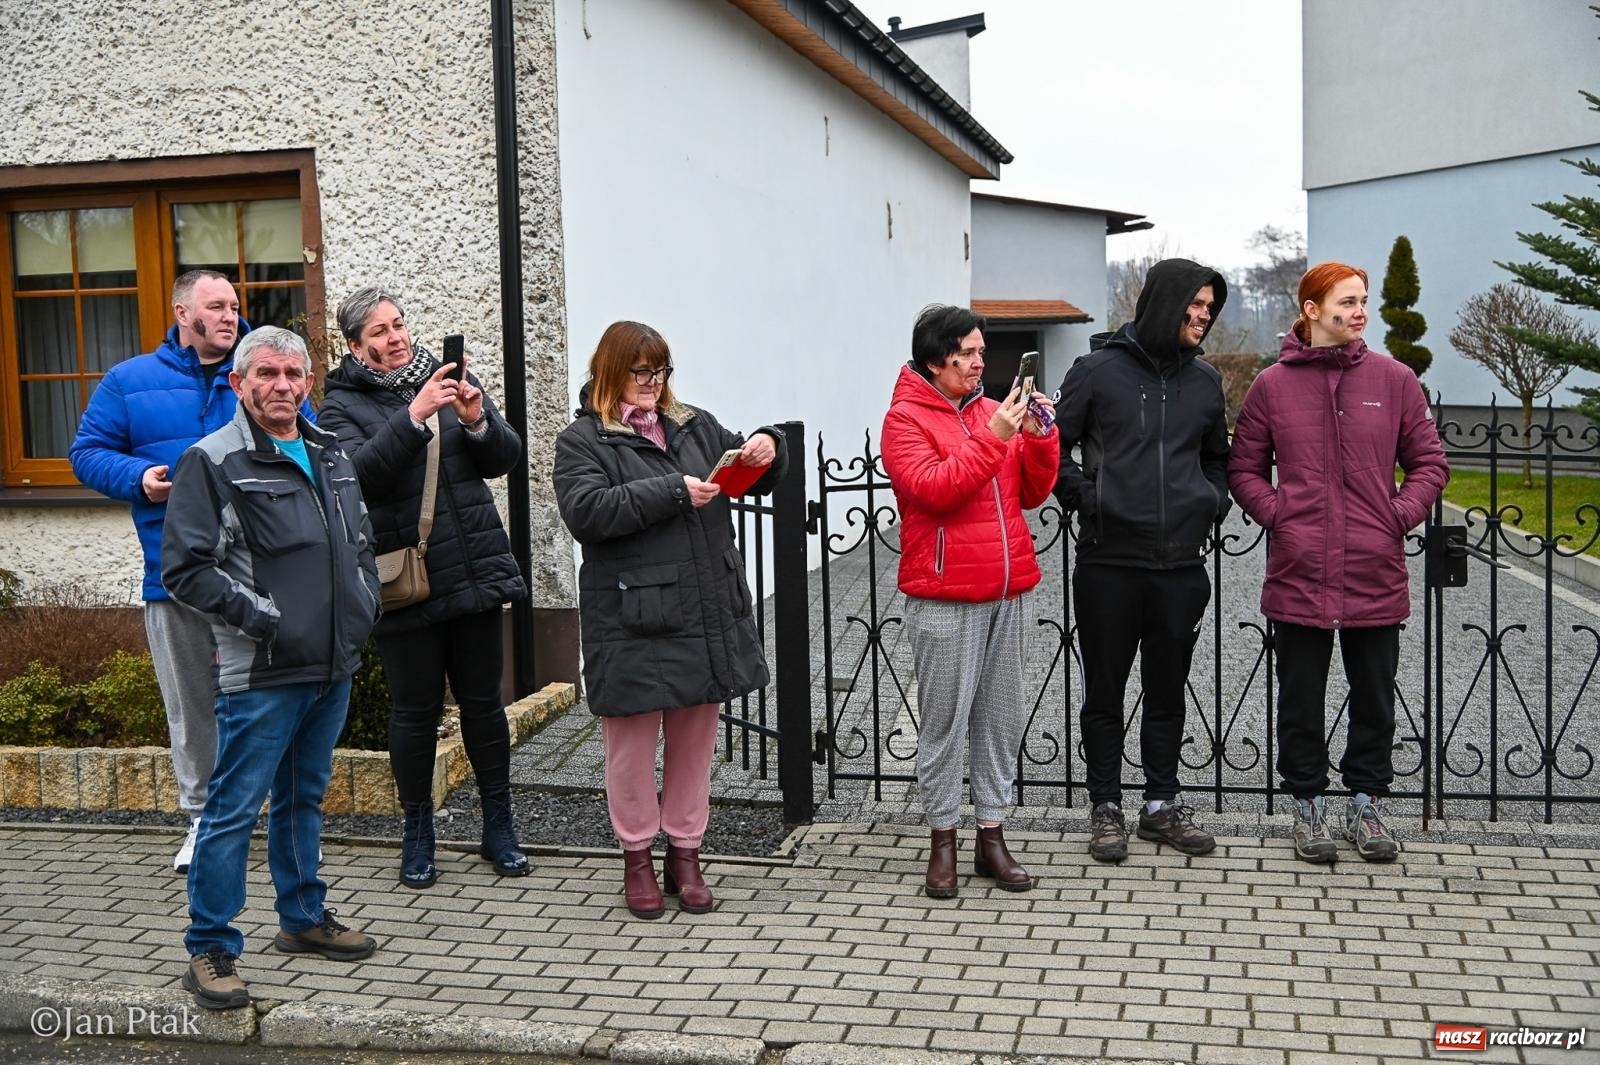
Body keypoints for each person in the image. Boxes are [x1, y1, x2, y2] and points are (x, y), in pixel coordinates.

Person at [161, 326, 381, 1010]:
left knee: (302, 799)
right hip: (262, 669)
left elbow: (361, 542)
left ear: (308, 382)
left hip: (330, 664)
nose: (282, 386)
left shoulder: (330, 451)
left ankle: (302, 917)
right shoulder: (213, 460)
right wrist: (264, 617)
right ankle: (211, 946)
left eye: (293, 373)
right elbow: (186, 569)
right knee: (232, 810)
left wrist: (364, 603)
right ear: (239, 384)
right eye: (267, 374)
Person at [69, 269, 299, 874]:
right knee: (192, 706)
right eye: (216, 306)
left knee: (266, 698)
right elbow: (86, 452)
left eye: (234, 305)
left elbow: (308, 445)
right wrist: (137, 480)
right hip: (174, 575)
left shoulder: (261, 372)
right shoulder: (130, 381)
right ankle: (202, 821)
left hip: (260, 575)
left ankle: (273, 819)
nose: (230, 314)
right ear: (182, 313)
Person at [552, 321, 785, 919]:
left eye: (662, 372)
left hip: (704, 608)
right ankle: (636, 857)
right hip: (632, 615)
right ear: (611, 372)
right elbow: (587, 513)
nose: (654, 384)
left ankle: (686, 853)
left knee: (694, 741)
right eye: (642, 373)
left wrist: (768, 446)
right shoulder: (583, 440)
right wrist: (673, 492)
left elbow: (751, 464)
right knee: (630, 747)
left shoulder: (694, 423)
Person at [1228, 262, 1448, 864]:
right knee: (1300, 695)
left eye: (1364, 301)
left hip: (1374, 570)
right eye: (1348, 302)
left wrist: (1394, 516)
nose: (1360, 312)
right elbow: (1243, 469)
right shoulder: (1271, 386)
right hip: (1300, 571)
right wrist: (1282, 516)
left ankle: (1367, 806)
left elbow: (1430, 463)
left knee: (1374, 694)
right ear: (1311, 309)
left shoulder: (1395, 378)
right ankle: (1307, 806)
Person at [317, 287, 530, 889]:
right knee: (414, 712)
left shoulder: (444, 383)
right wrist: (414, 417)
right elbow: (358, 477)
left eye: (400, 324)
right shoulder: (340, 407)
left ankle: (499, 825)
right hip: (406, 581)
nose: (396, 336)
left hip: (473, 570)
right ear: (355, 346)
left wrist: (477, 419)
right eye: (380, 331)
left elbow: (504, 458)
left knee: (484, 705)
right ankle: (417, 832)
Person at [1052, 259, 1232, 863]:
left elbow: (1217, 459)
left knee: (1167, 692)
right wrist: (1091, 498)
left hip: (1180, 568)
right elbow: (1053, 450)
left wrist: (1212, 501)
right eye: (1196, 305)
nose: (1205, 315)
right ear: (1165, 303)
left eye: (1211, 307)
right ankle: (1106, 806)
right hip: (1109, 565)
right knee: (1105, 690)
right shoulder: (1096, 372)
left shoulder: (1206, 382)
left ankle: (1160, 806)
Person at [880, 304, 1058, 898]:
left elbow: (1031, 494)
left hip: (1007, 590)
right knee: (945, 724)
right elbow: (937, 490)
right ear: (937, 358)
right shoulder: (904, 419)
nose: (983, 363)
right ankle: (942, 840)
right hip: (945, 594)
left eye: (984, 352)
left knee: (999, 720)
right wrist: (995, 437)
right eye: (970, 353)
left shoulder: (991, 413)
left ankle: (992, 835)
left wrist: (1039, 439)